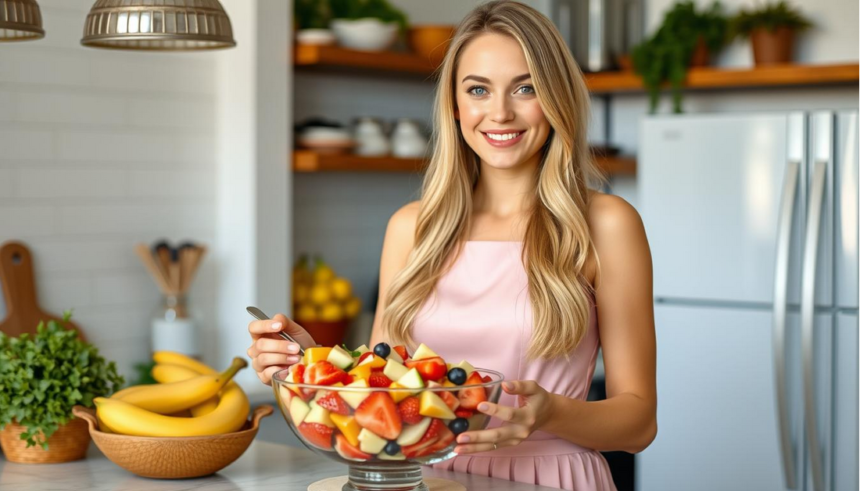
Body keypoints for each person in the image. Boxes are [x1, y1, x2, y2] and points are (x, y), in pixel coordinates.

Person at [247, 1, 656, 489]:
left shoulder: (606, 224)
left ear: (556, 98)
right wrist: (313, 363)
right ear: (456, 107)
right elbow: (391, 387)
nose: (499, 112)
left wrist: (548, 413)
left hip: (551, 476)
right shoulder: (411, 227)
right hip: (427, 479)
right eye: (478, 89)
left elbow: (639, 424)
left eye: (525, 88)